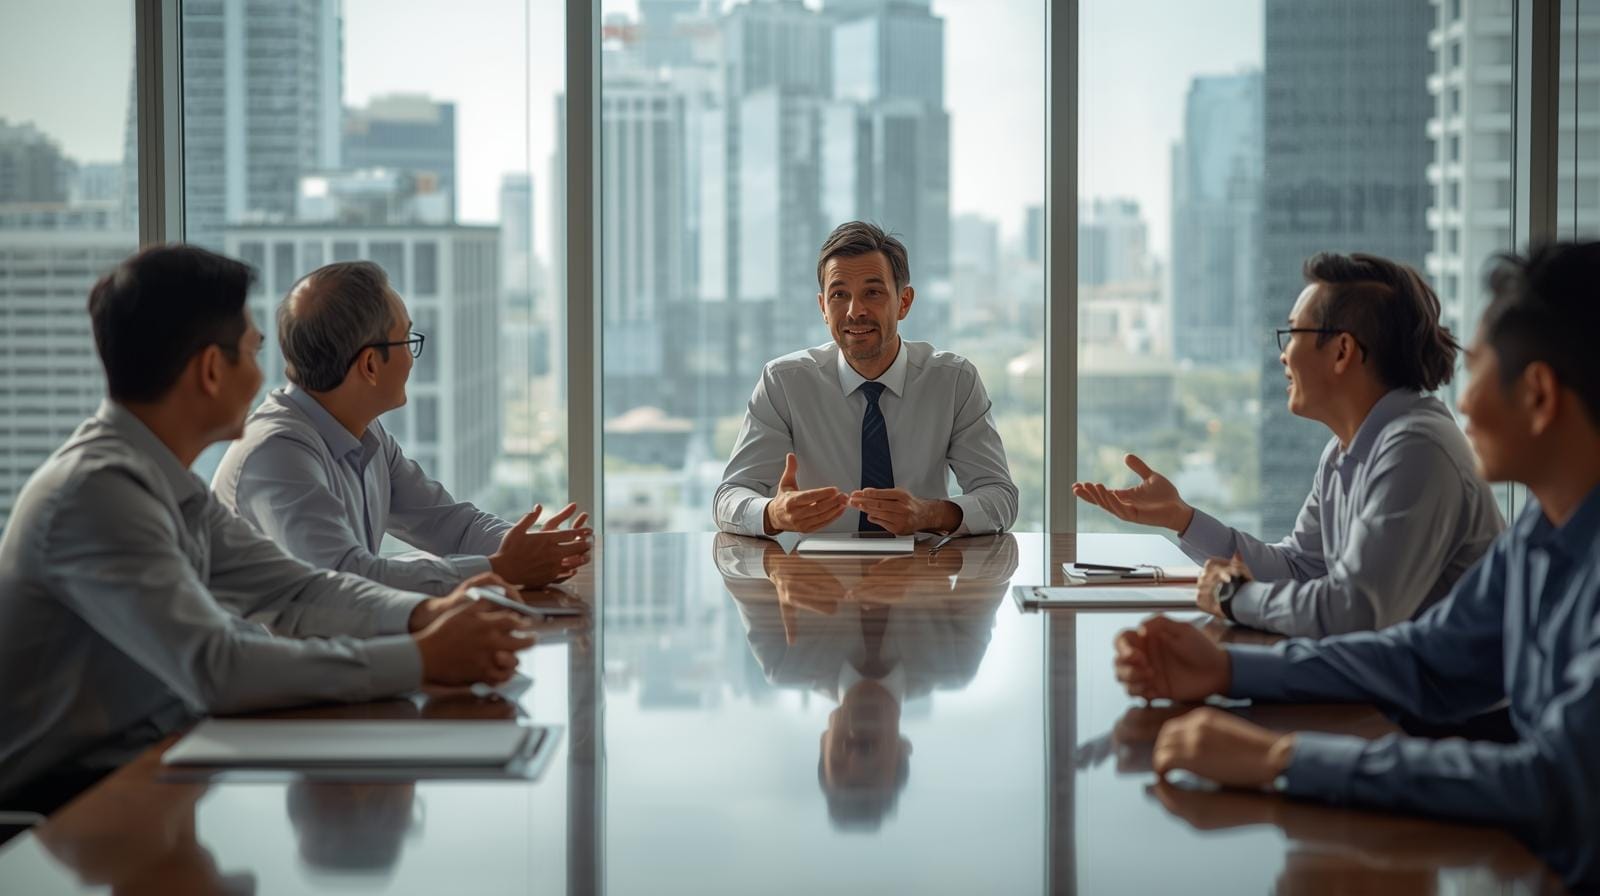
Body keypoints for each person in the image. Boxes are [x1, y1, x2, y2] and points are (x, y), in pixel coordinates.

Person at [1112, 242, 1600, 891]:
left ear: (1537, 394)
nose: (1465, 401)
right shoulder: (1544, 530)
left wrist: (1283, 757)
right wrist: (1227, 665)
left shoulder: (1420, 444)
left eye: (1479, 369)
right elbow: (1421, 657)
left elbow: (1551, 783)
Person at [0, 246, 535, 813]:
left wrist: (424, 615)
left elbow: (297, 589)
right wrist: (425, 657)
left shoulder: (160, 481)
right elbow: (218, 668)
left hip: (148, 767)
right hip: (62, 807)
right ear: (211, 369)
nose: (266, 376)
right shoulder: (97, 493)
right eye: (253, 351)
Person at [1075, 252, 1502, 636]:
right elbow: (1300, 569)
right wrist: (1182, 518)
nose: (1283, 354)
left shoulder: (1417, 451)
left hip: (1442, 718)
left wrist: (1233, 598)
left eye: (1293, 333)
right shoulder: (1345, 450)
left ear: (1342, 351)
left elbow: (1354, 611)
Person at [212, 261, 591, 596]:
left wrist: (529, 547)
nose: (412, 359)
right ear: (371, 365)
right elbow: (346, 580)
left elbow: (449, 524)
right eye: (408, 340)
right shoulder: (276, 452)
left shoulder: (364, 433)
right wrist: (499, 568)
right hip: (274, 673)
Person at [714, 221, 1018, 538]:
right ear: (822, 307)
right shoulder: (784, 383)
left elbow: (1001, 498)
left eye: (872, 293)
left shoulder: (954, 381)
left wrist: (928, 514)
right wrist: (772, 514)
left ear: (904, 302)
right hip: (814, 578)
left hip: (923, 576)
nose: (855, 311)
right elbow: (729, 497)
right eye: (839, 295)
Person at [716, 532, 1015, 829]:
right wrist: (930, 561)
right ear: (903, 750)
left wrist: (775, 564)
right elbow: (1002, 560)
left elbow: (728, 557)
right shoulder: (955, 662)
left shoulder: (784, 661)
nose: (856, 755)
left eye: (839, 764)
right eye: (870, 773)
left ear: (823, 742)